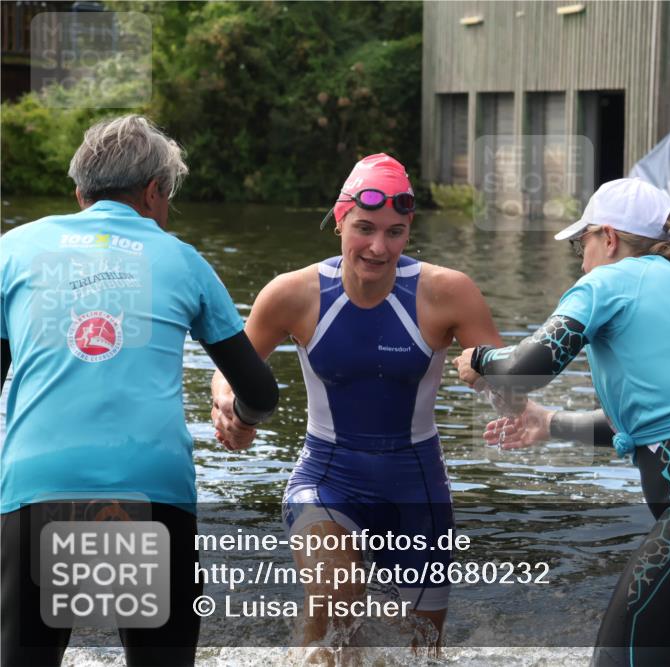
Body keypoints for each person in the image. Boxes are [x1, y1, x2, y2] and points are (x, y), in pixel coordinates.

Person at [455, 178, 670, 666]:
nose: (581, 259)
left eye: (583, 243)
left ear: (609, 238)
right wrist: (549, 423)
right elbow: (659, 425)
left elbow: (528, 368)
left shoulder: (608, 281)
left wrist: (482, 359)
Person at [0, 115, 279, 666]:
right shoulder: (182, 260)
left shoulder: (12, 250)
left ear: (80, 193)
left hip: (38, 488)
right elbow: (261, 391)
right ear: (154, 193)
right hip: (150, 494)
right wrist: (238, 414)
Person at [211, 153, 503, 654]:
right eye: (364, 228)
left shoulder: (446, 292)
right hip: (326, 478)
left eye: (394, 232)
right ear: (339, 220)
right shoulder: (294, 294)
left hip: (418, 493)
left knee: (422, 652)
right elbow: (230, 367)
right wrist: (228, 407)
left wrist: (490, 372)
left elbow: (511, 383)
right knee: (336, 596)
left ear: (409, 230)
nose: (377, 246)